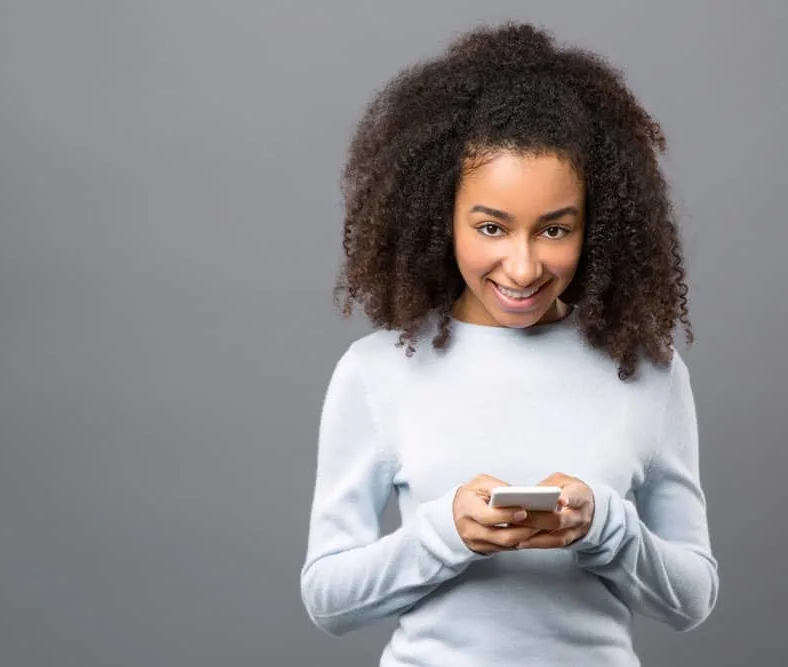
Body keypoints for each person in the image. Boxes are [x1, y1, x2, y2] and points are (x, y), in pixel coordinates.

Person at [299, 21, 719, 667]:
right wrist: (448, 534)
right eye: (491, 226)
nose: (521, 268)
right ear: (441, 214)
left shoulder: (648, 369)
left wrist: (602, 526)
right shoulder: (378, 371)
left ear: (596, 226)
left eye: (554, 230)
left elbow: (691, 601)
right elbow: (329, 601)